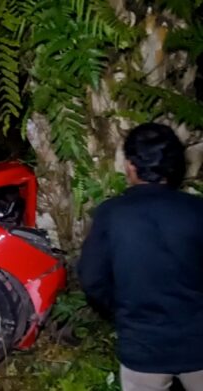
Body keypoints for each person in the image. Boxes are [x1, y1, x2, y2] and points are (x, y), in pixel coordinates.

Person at [78, 122, 203, 391]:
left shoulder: (110, 215)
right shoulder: (197, 211)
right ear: (174, 166)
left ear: (130, 166)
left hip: (143, 347)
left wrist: (124, 311)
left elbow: (92, 279)